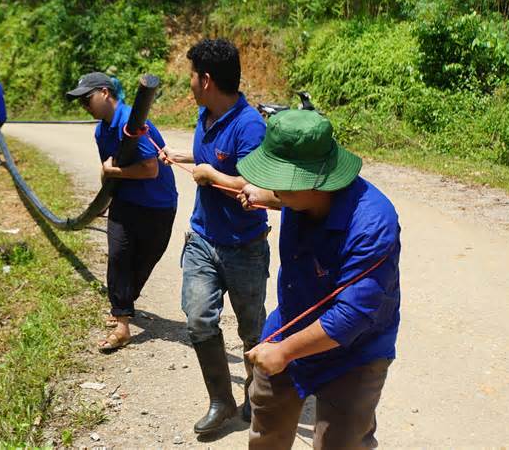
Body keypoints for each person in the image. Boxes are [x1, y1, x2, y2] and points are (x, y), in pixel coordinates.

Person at [235, 109, 401, 450]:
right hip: (290, 323)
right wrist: (267, 197)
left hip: (356, 352)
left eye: (281, 183)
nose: (273, 188)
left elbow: (349, 318)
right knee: (266, 430)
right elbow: (288, 199)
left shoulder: (373, 224)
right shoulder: (298, 199)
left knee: (341, 442)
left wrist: (282, 352)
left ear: (315, 181)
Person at [158, 38, 271, 433]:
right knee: (199, 319)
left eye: (191, 76)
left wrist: (214, 177)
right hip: (203, 240)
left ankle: (256, 396)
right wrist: (183, 156)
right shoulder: (204, 116)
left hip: (245, 248)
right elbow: (211, 160)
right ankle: (221, 400)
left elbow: (258, 186)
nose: (188, 84)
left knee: (252, 328)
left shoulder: (250, 126)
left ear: (205, 80)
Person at [66, 72, 178, 352]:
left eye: (87, 99)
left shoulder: (134, 121)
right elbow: (110, 172)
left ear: (105, 92)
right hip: (125, 202)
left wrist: (111, 170)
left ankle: (124, 303)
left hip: (158, 203)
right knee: (118, 256)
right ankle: (122, 322)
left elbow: (150, 169)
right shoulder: (101, 130)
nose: (85, 106)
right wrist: (105, 196)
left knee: (146, 259)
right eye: (81, 103)